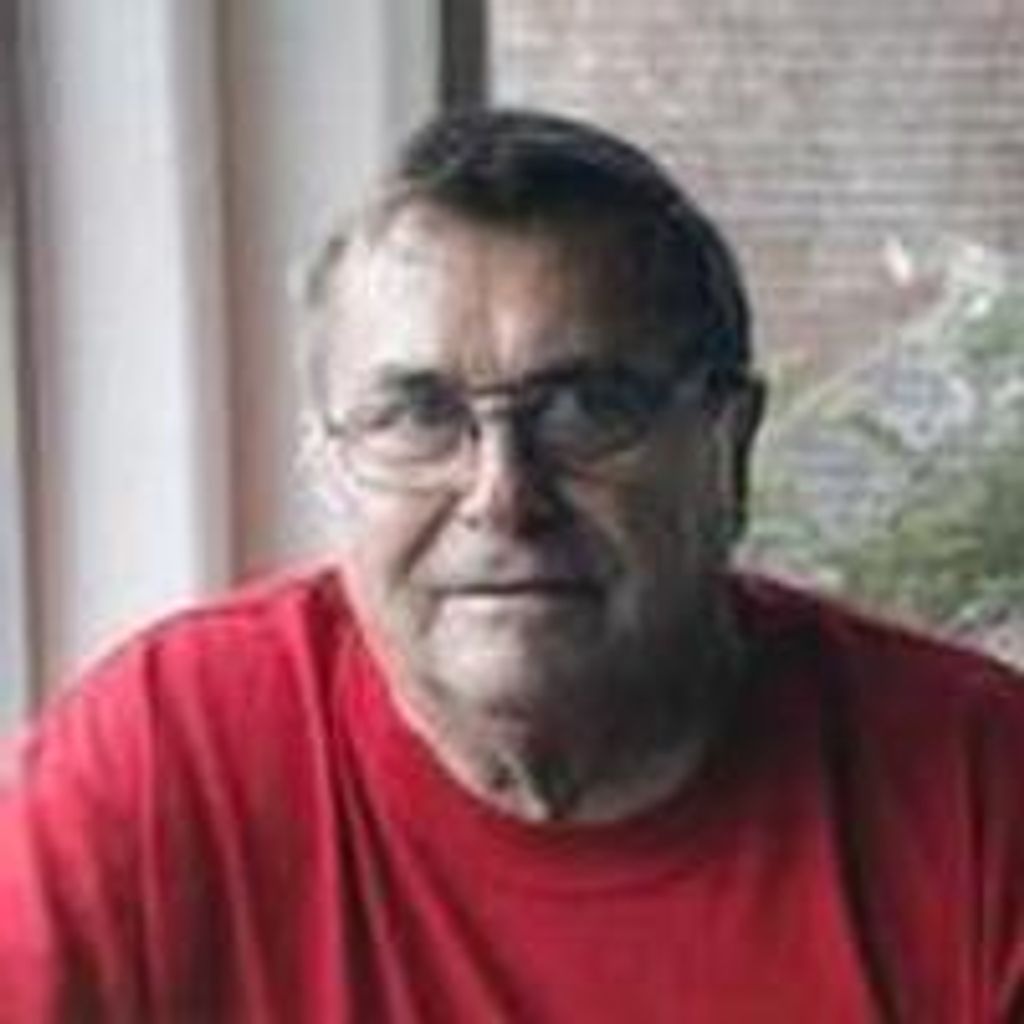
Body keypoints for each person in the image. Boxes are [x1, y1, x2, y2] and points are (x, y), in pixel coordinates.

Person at [2, 107, 1022, 1023]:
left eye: (587, 407)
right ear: (332, 469)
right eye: (417, 414)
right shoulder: (165, 761)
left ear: (728, 444)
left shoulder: (981, 791)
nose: (503, 493)